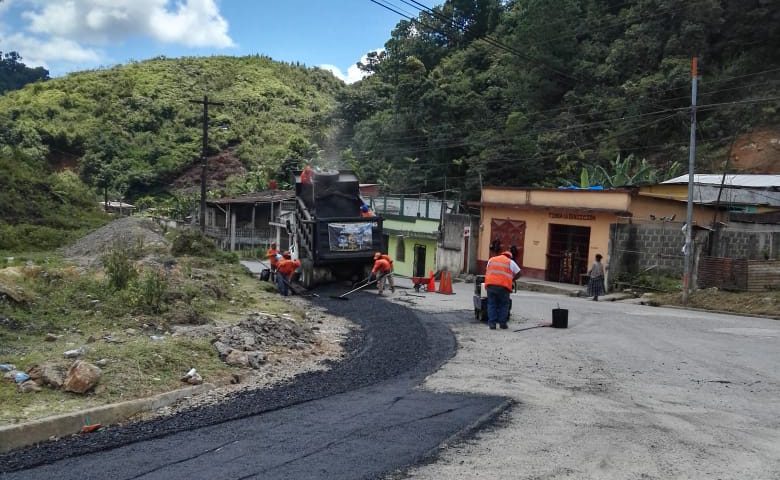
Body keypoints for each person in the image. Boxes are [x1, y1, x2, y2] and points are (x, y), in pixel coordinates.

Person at [484, 251, 521, 330]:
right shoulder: (510, 262)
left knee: (491, 304)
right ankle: (502, 324)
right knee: (504, 305)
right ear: (509, 256)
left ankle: (492, 324)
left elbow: (487, 270)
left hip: (490, 285)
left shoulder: (491, 259)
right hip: (503, 287)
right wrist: (512, 279)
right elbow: (519, 273)